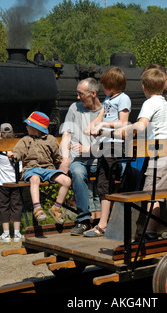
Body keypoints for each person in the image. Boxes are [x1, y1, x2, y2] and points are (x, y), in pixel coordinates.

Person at [114, 67, 167, 240]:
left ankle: (150, 232)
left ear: (144, 87)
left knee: (152, 193)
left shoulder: (150, 103)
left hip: (161, 152)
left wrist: (124, 131)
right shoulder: (164, 102)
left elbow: (141, 125)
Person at [83, 67, 131, 237]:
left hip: (115, 145)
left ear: (112, 84)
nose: (103, 88)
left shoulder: (123, 99)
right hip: (105, 145)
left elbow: (123, 122)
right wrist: (92, 124)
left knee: (108, 182)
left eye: (105, 85)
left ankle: (106, 223)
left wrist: (103, 125)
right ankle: (104, 223)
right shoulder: (108, 99)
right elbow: (100, 116)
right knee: (103, 184)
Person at [8, 111, 71, 225]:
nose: (26, 127)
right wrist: (14, 156)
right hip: (31, 169)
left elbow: (57, 157)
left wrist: (61, 166)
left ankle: (56, 207)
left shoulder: (50, 139)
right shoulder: (25, 140)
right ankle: (37, 208)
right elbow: (18, 152)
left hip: (48, 169)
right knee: (35, 178)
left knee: (66, 181)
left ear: (36, 128)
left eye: (29, 125)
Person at [59, 78, 103, 236]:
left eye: (81, 94)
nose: (78, 97)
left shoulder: (105, 111)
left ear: (93, 93)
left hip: (99, 158)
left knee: (110, 173)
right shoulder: (74, 108)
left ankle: (105, 220)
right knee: (77, 172)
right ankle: (83, 219)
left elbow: (108, 143)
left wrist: (90, 149)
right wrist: (65, 158)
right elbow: (67, 134)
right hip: (79, 160)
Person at [0, 123, 24, 242]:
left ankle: (6, 234)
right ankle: (17, 233)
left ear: (1, 133)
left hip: (2, 182)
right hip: (15, 181)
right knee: (17, 206)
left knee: (3, 207)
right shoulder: (18, 145)